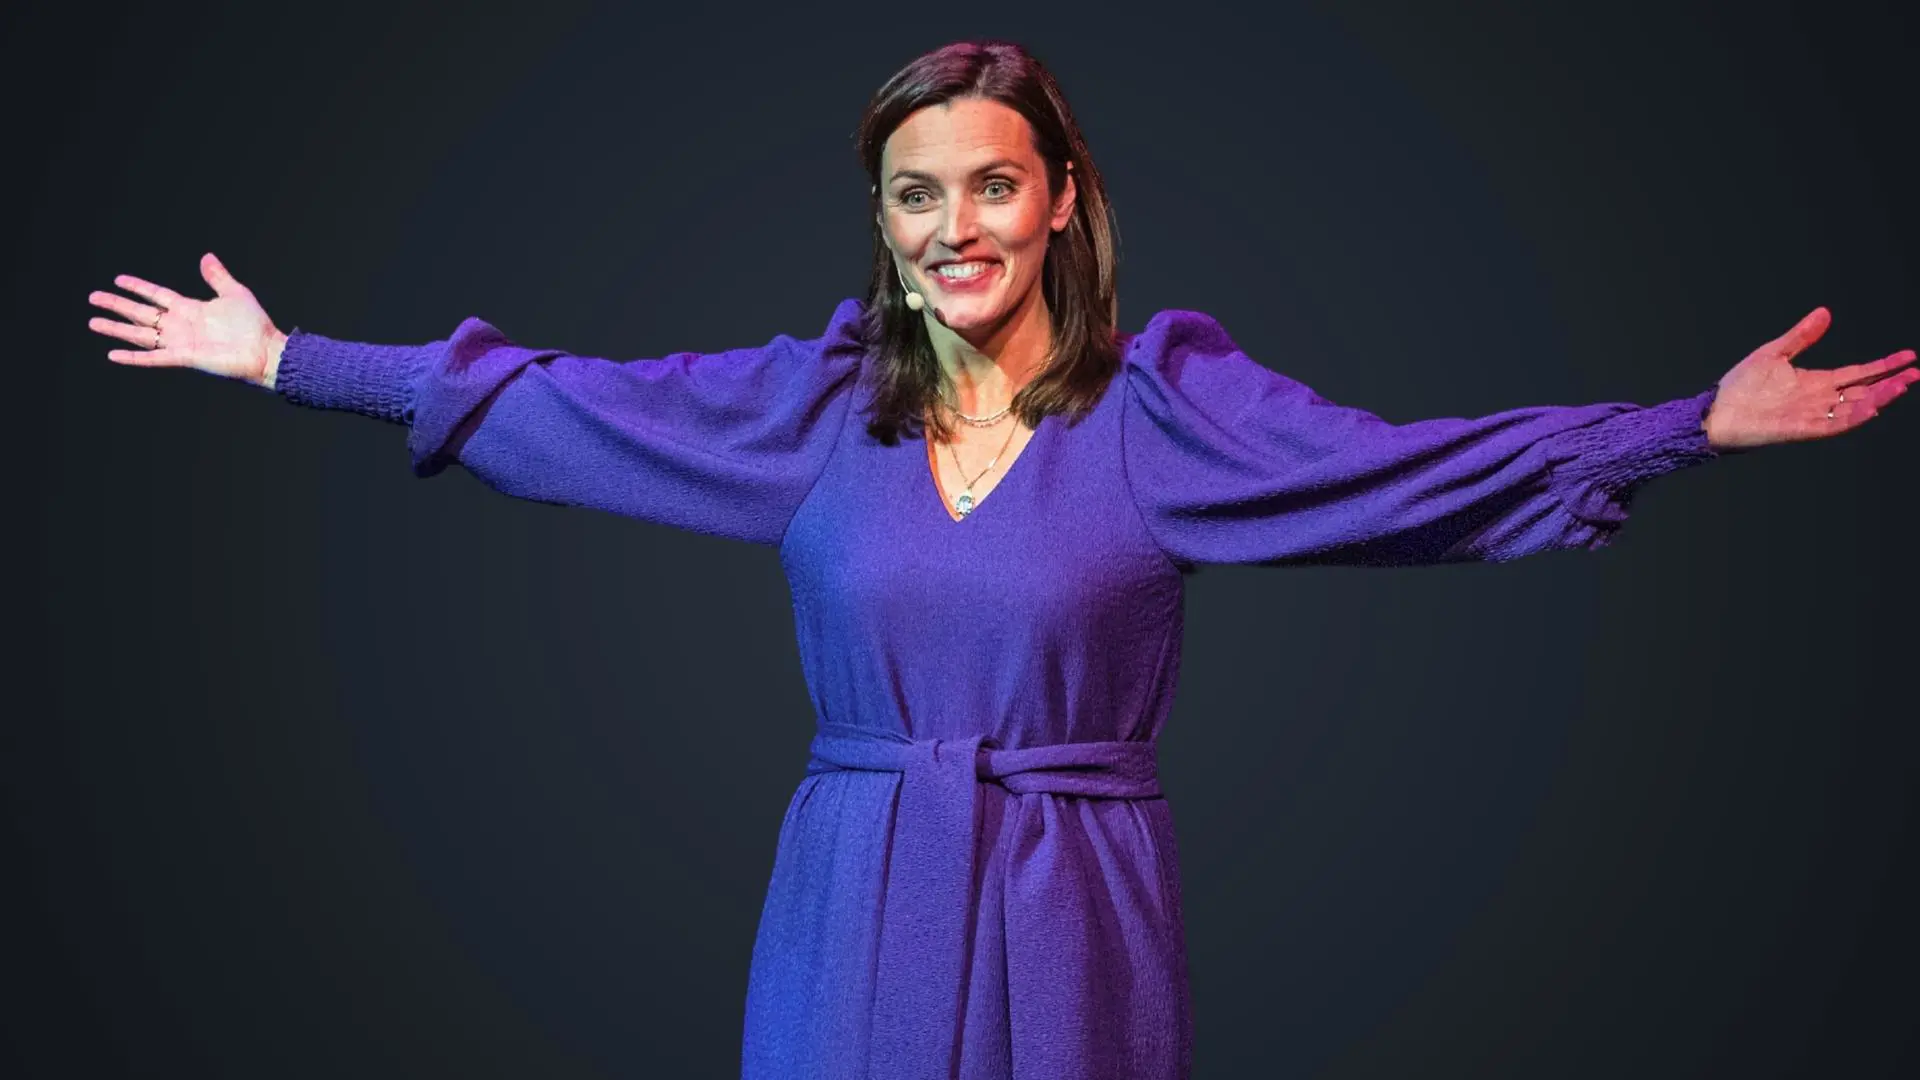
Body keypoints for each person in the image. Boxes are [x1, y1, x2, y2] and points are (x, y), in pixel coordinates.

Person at [85, 37, 1914, 1080]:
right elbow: (563, 401)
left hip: (1074, 894)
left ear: (1058, 201)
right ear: (884, 226)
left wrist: (1682, 426)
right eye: (915, 194)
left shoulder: (1166, 413)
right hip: (856, 883)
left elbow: (1401, 475)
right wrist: (290, 359)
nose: (954, 225)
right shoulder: (816, 413)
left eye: (991, 184)